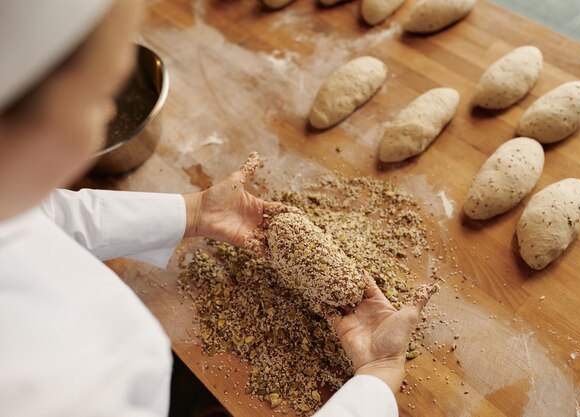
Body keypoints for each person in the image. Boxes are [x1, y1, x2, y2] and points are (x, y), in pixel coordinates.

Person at [0, 1, 426, 416]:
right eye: (102, 92)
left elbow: (33, 221)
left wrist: (192, 213)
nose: (111, 110)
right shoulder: (58, 381)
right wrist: (376, 379)